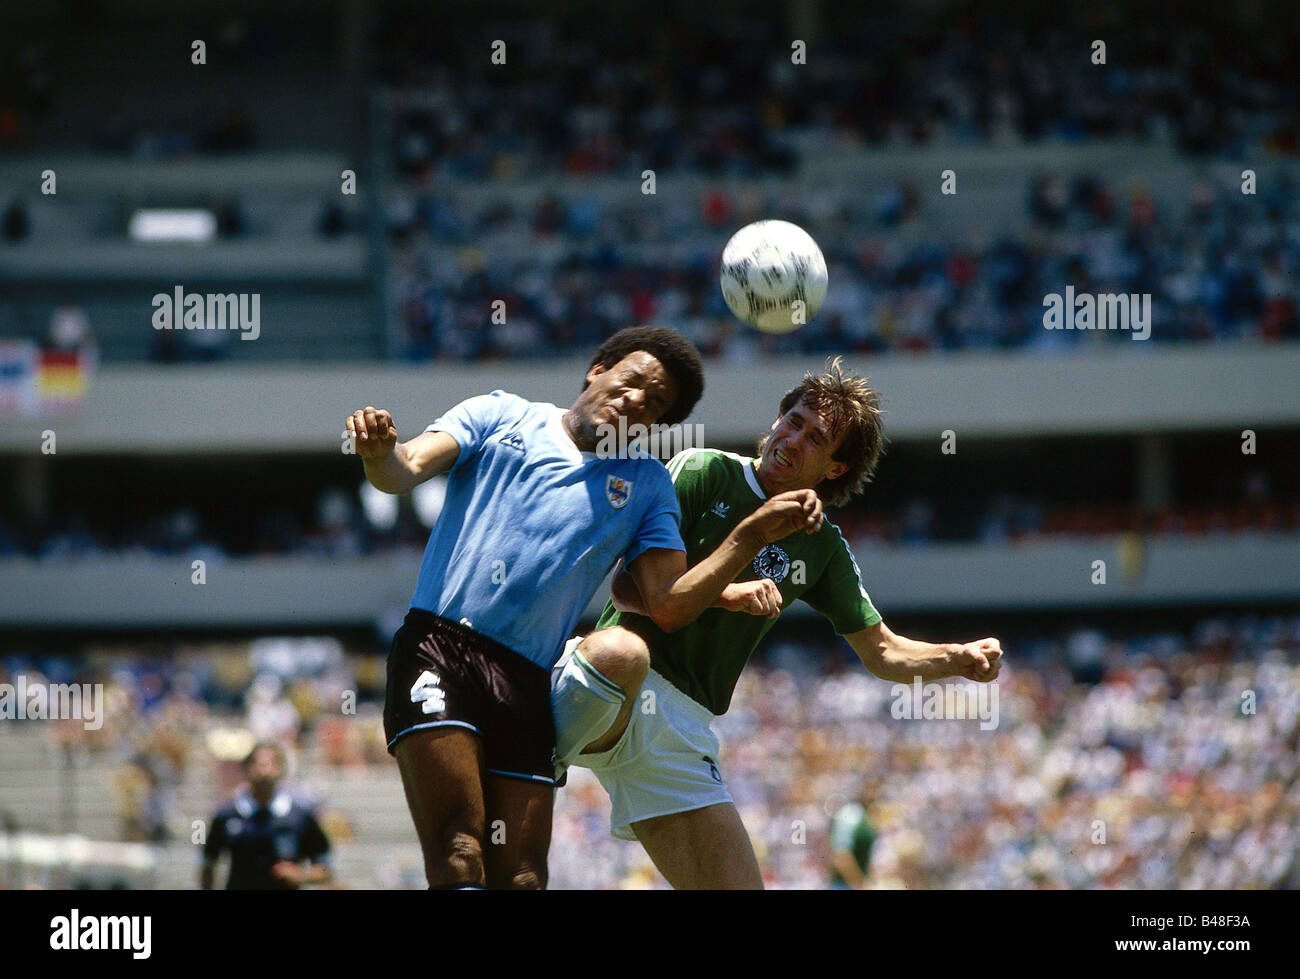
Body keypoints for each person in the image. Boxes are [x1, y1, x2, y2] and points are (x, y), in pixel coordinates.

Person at [346, 326, 823, 889]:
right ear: (598, 369)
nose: (637, 401)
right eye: (633, 381)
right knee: (459, 848)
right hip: (440, 649)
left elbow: (666, 606)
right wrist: (378, 454)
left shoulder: (645, 485)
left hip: (527, 679)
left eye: (656, 404)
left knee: (522, 876)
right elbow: (401, 471)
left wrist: (747, 536)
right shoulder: (502, 414)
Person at [552, 357, 1005, 888]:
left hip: (683, 727)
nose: (793, 439)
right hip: (615, 688)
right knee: (616, 656)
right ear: (776, 420)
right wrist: (730, 593)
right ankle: (537, 754)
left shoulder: (823, 547)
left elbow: (882, 652)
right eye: (793, 420)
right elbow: (629, 590)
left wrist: (957, 658)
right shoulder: (704, 471)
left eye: (816, 438)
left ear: (835, 468)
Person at [200, 742, 332, 890]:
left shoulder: (300, 816)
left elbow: (325, 868)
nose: (264, 770)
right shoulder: (228, 814)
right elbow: (208, 862)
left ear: (281, 769)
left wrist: (301, 875)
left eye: (270, 763)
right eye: (257, 763)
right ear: (246, 769)